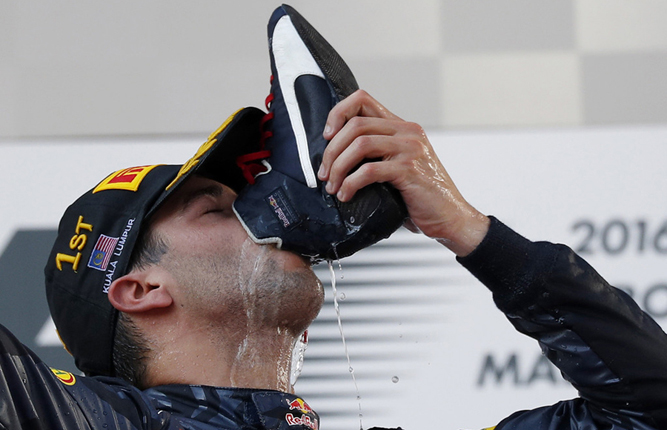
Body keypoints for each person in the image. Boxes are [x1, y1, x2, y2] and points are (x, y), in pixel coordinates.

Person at [2, 6, 667, 430]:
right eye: (219, 208)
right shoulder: (75, 419)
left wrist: (470, 232)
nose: (269, 215)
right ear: (141, 289)